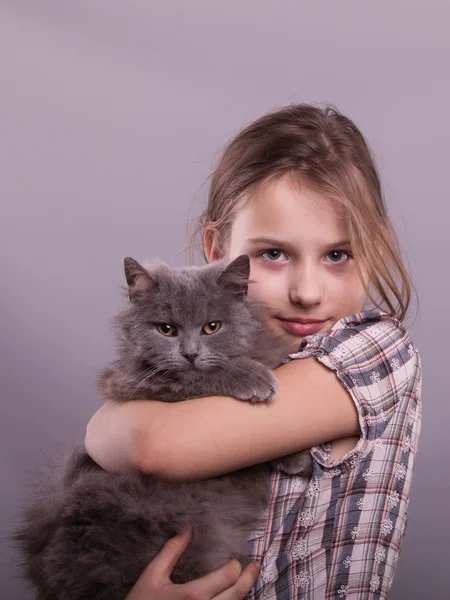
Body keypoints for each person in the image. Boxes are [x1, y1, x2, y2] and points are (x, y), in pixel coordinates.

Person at [85, 104, 422, 599]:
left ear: (372, 251)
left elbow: (150, 447)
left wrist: (107, 423)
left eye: (337, 255)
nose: (307, 291)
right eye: (274, 254)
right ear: (218, 249)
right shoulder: (226, 345)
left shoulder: (374, 352)